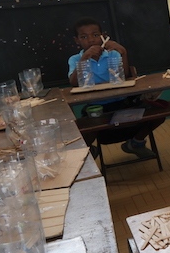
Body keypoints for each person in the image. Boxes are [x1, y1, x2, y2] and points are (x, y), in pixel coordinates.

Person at [67, 17, 163, 158]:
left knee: (159, 113)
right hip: (96, 107)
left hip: (123, 103)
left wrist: (123, 53)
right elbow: (74, 83)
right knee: (85, 127)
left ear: (102, 36)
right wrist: (84, 60)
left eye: (95, 35)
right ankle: (89, 152)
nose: (91, 40)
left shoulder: (113, 53)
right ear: (77, 41)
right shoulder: (75, 59)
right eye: (84, 37)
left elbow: (124, 77)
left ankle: (136, 142)